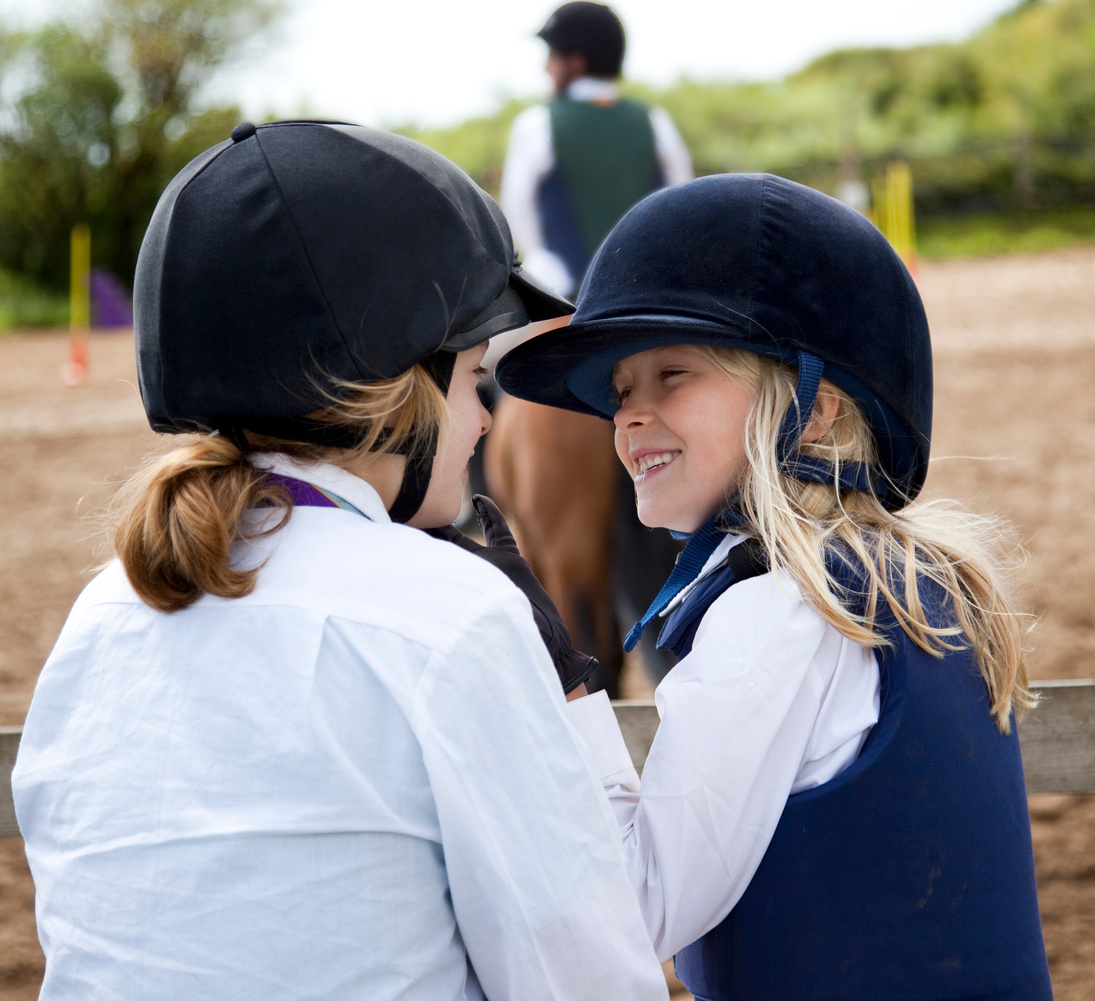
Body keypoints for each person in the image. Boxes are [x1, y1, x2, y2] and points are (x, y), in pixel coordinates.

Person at [11, 121, 669, 1001]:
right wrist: (570, 684)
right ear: (395, 387)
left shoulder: (100, 612)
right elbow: (594, 977)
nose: (481, 420)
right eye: (475, 378)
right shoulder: (452, 614)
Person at [492, 173, 1053, 1000]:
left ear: (816, 409)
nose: (629, 417)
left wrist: (569, 677)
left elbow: (632, 911)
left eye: (671, 375)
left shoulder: (774, 613)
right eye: (619, 393)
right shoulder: (924, 579)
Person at [500, 0, 692, 298]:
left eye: (552, 55)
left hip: (569, 302)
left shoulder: (537, 123)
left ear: (576, 60)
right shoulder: (655, 121)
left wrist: (545, 264)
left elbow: (519, 213)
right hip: (651, 297)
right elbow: (682, 204)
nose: (546, 66)